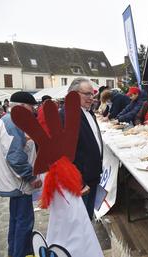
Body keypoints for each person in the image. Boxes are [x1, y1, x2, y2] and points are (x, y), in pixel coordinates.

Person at [0, 91, 42, 257]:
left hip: (16, 182)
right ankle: (20, 253)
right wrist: (31, 176)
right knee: (24, 222)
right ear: (21, 107)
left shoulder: (11, 120)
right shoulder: (13, 121)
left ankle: (15, 252)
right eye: (31, 107)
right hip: (19, 182)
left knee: (16, 221)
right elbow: (15, 156)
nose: (33, 111)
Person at [65, 77, 103, 220]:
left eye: (92, 93)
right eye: (86, 94)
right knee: (81, 222)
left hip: (91, 176)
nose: (91, 97)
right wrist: (79, 183)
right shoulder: (68, 115)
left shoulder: (87, 112)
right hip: (81, 182)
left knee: (87, 218)